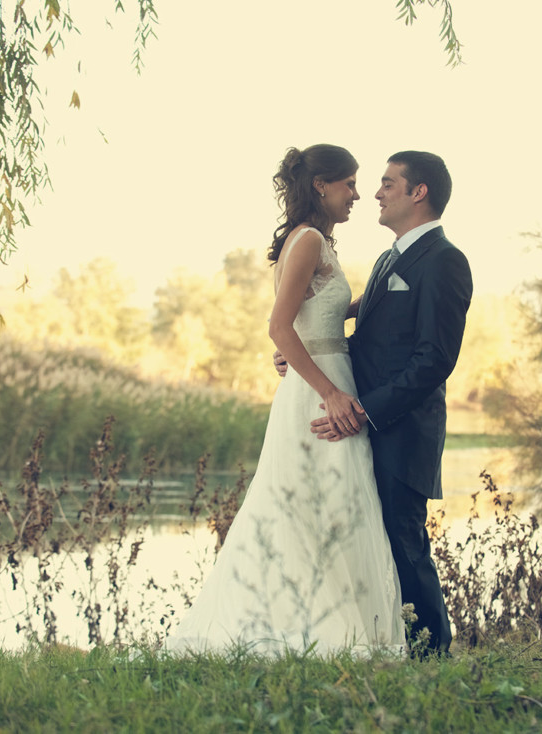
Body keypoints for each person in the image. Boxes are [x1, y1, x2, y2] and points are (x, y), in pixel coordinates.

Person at [163, 144, 405, 656]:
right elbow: (278, 327)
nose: (358, 194)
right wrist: (331, 393)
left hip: (325, 377)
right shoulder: (309, 240)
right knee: (315, 507)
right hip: (321, 394)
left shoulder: (318, 241)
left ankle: (332, 631)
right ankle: (321, 636)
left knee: (334, 506)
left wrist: (383, 294)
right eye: (349, 184)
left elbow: (312, 320)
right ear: (321, 185)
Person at [298, 151, 472, 655]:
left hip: (403, 428)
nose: (375, 193)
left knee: (404, 541)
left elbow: (433, 359)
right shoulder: (387, 260)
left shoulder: (445, 261)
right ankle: (387, 644)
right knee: (370, 538)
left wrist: (365, 410)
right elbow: (374, 343)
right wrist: (311, 360)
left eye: (388, 183)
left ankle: (433, 654)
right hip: (366, 421)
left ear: (419, 193)